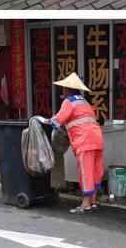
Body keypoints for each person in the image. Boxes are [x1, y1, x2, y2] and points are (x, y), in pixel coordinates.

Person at [35, 72, 103, 214]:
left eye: (64, 89)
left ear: (68, 90)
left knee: (85, 172)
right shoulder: (85, 103)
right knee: (94, 170)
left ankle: (85, 204)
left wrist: (44, 120)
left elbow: (59, 119)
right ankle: (93, 201)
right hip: (97, 139)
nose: (63, 91)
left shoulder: (69, 102)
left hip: (84, 140)